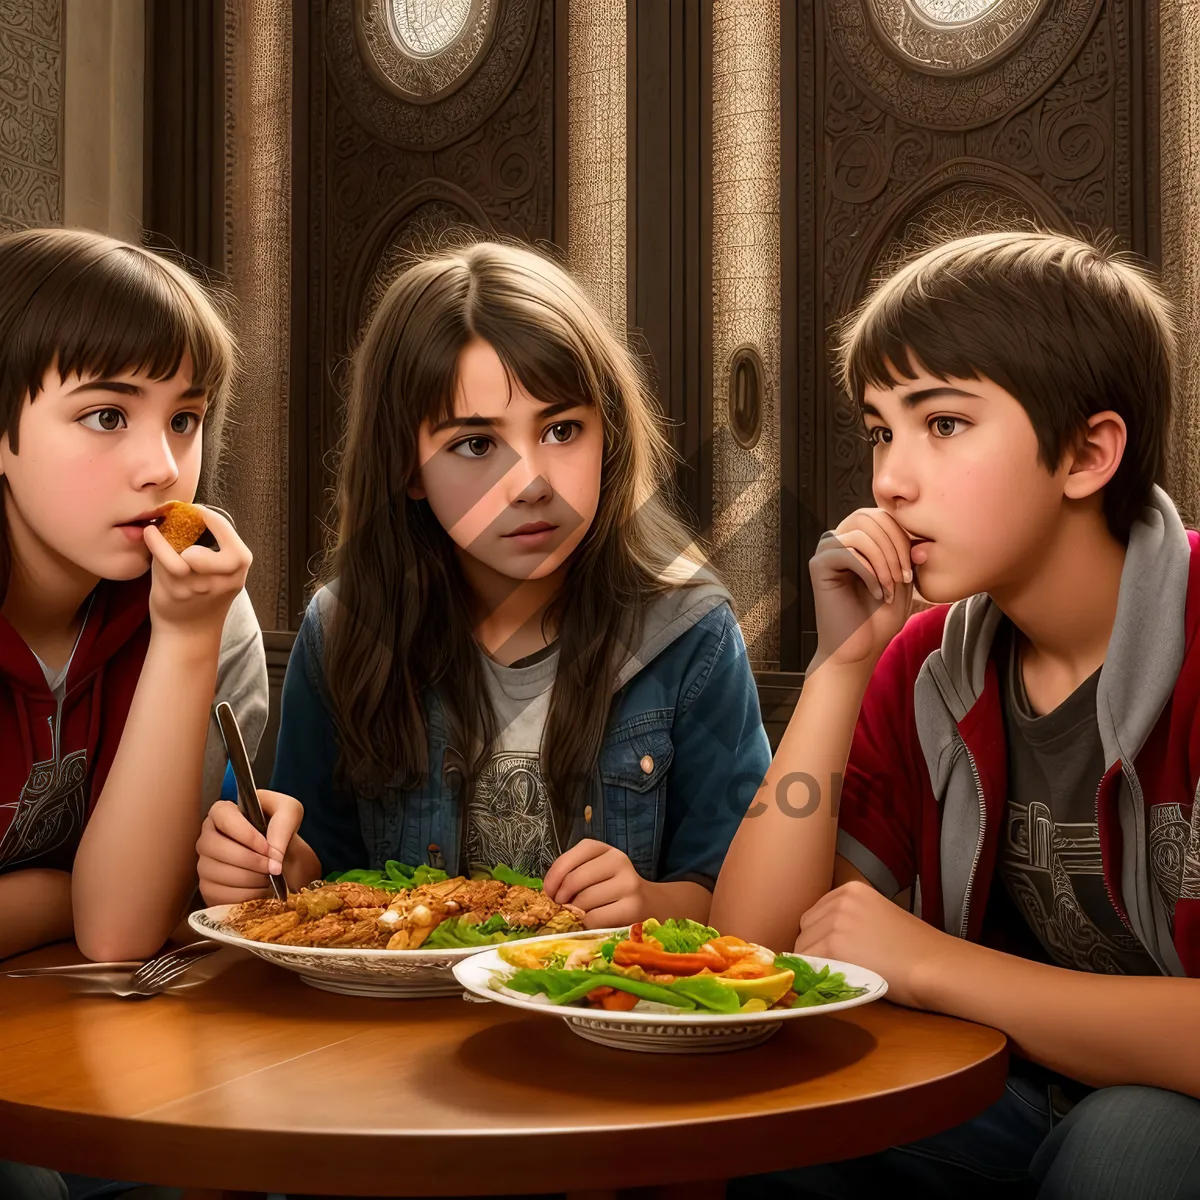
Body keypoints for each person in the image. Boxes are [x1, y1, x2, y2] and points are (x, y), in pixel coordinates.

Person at [713, 230, 1200, 1198]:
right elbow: (751, 956)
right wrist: (840, 667)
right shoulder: (927, 662)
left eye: (942, 424)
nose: (890, 480)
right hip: (1011, 1094)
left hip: (1155, 1114)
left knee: (1132, 1142)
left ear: (1088, 452)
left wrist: (933, 968)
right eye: (880, 430)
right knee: (766, 1117)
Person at [196, 238, 770, 939]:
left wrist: (650, 904)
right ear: (408, 466)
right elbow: (331, 874)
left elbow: (745, 899)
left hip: (600, 1025)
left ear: (609, 436)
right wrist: (269, 861)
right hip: (389, 1033)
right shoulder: (346, 630)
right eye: (475, 444)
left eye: (562, 430)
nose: (530, 482)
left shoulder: (690, 632)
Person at [0, 227, 268, 1200]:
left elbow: (123, 928)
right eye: (107, 415)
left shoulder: (206, 605)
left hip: (92, 1021)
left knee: (214, 1162)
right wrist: (67, 889)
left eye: (185, 420)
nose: (162, 467)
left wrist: (187, 639)